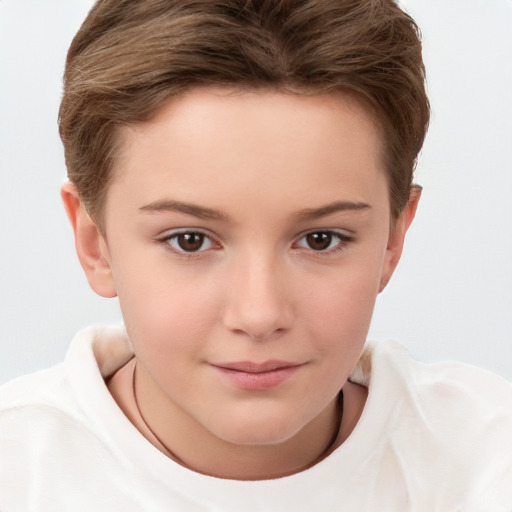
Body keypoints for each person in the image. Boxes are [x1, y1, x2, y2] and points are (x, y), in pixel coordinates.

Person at [0, 0, 510, 510]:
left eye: (320, 239)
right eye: (190, 240)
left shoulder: (487, 460)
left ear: (393, 240)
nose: (260, 315)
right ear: (96, 244)